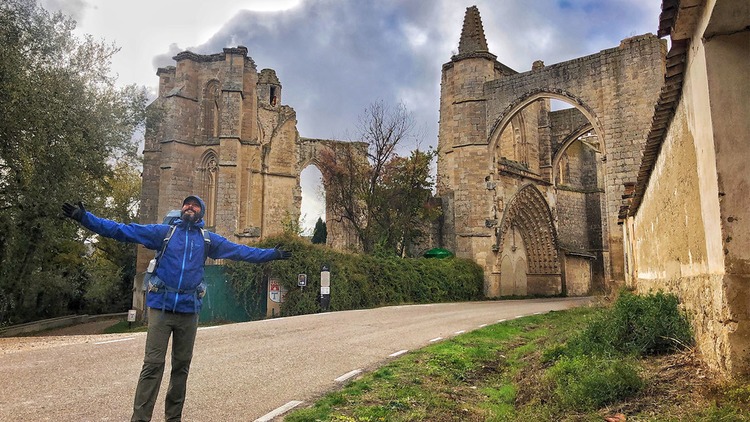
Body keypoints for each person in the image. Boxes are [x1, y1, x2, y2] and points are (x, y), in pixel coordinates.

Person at [62, 195, 291, 422]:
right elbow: (122, 230)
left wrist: (273, 253)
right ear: (182, 209)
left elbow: (241, 252)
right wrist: (86, 219)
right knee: (152, 365)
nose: (189, 207)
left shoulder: (208, 240)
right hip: (161, 309)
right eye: (186, 204)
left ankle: (174, 418)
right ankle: (140, 418)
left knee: (181, 368)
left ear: (201, 212)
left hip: (189, 311)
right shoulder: (164, 233)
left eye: (195, 205)